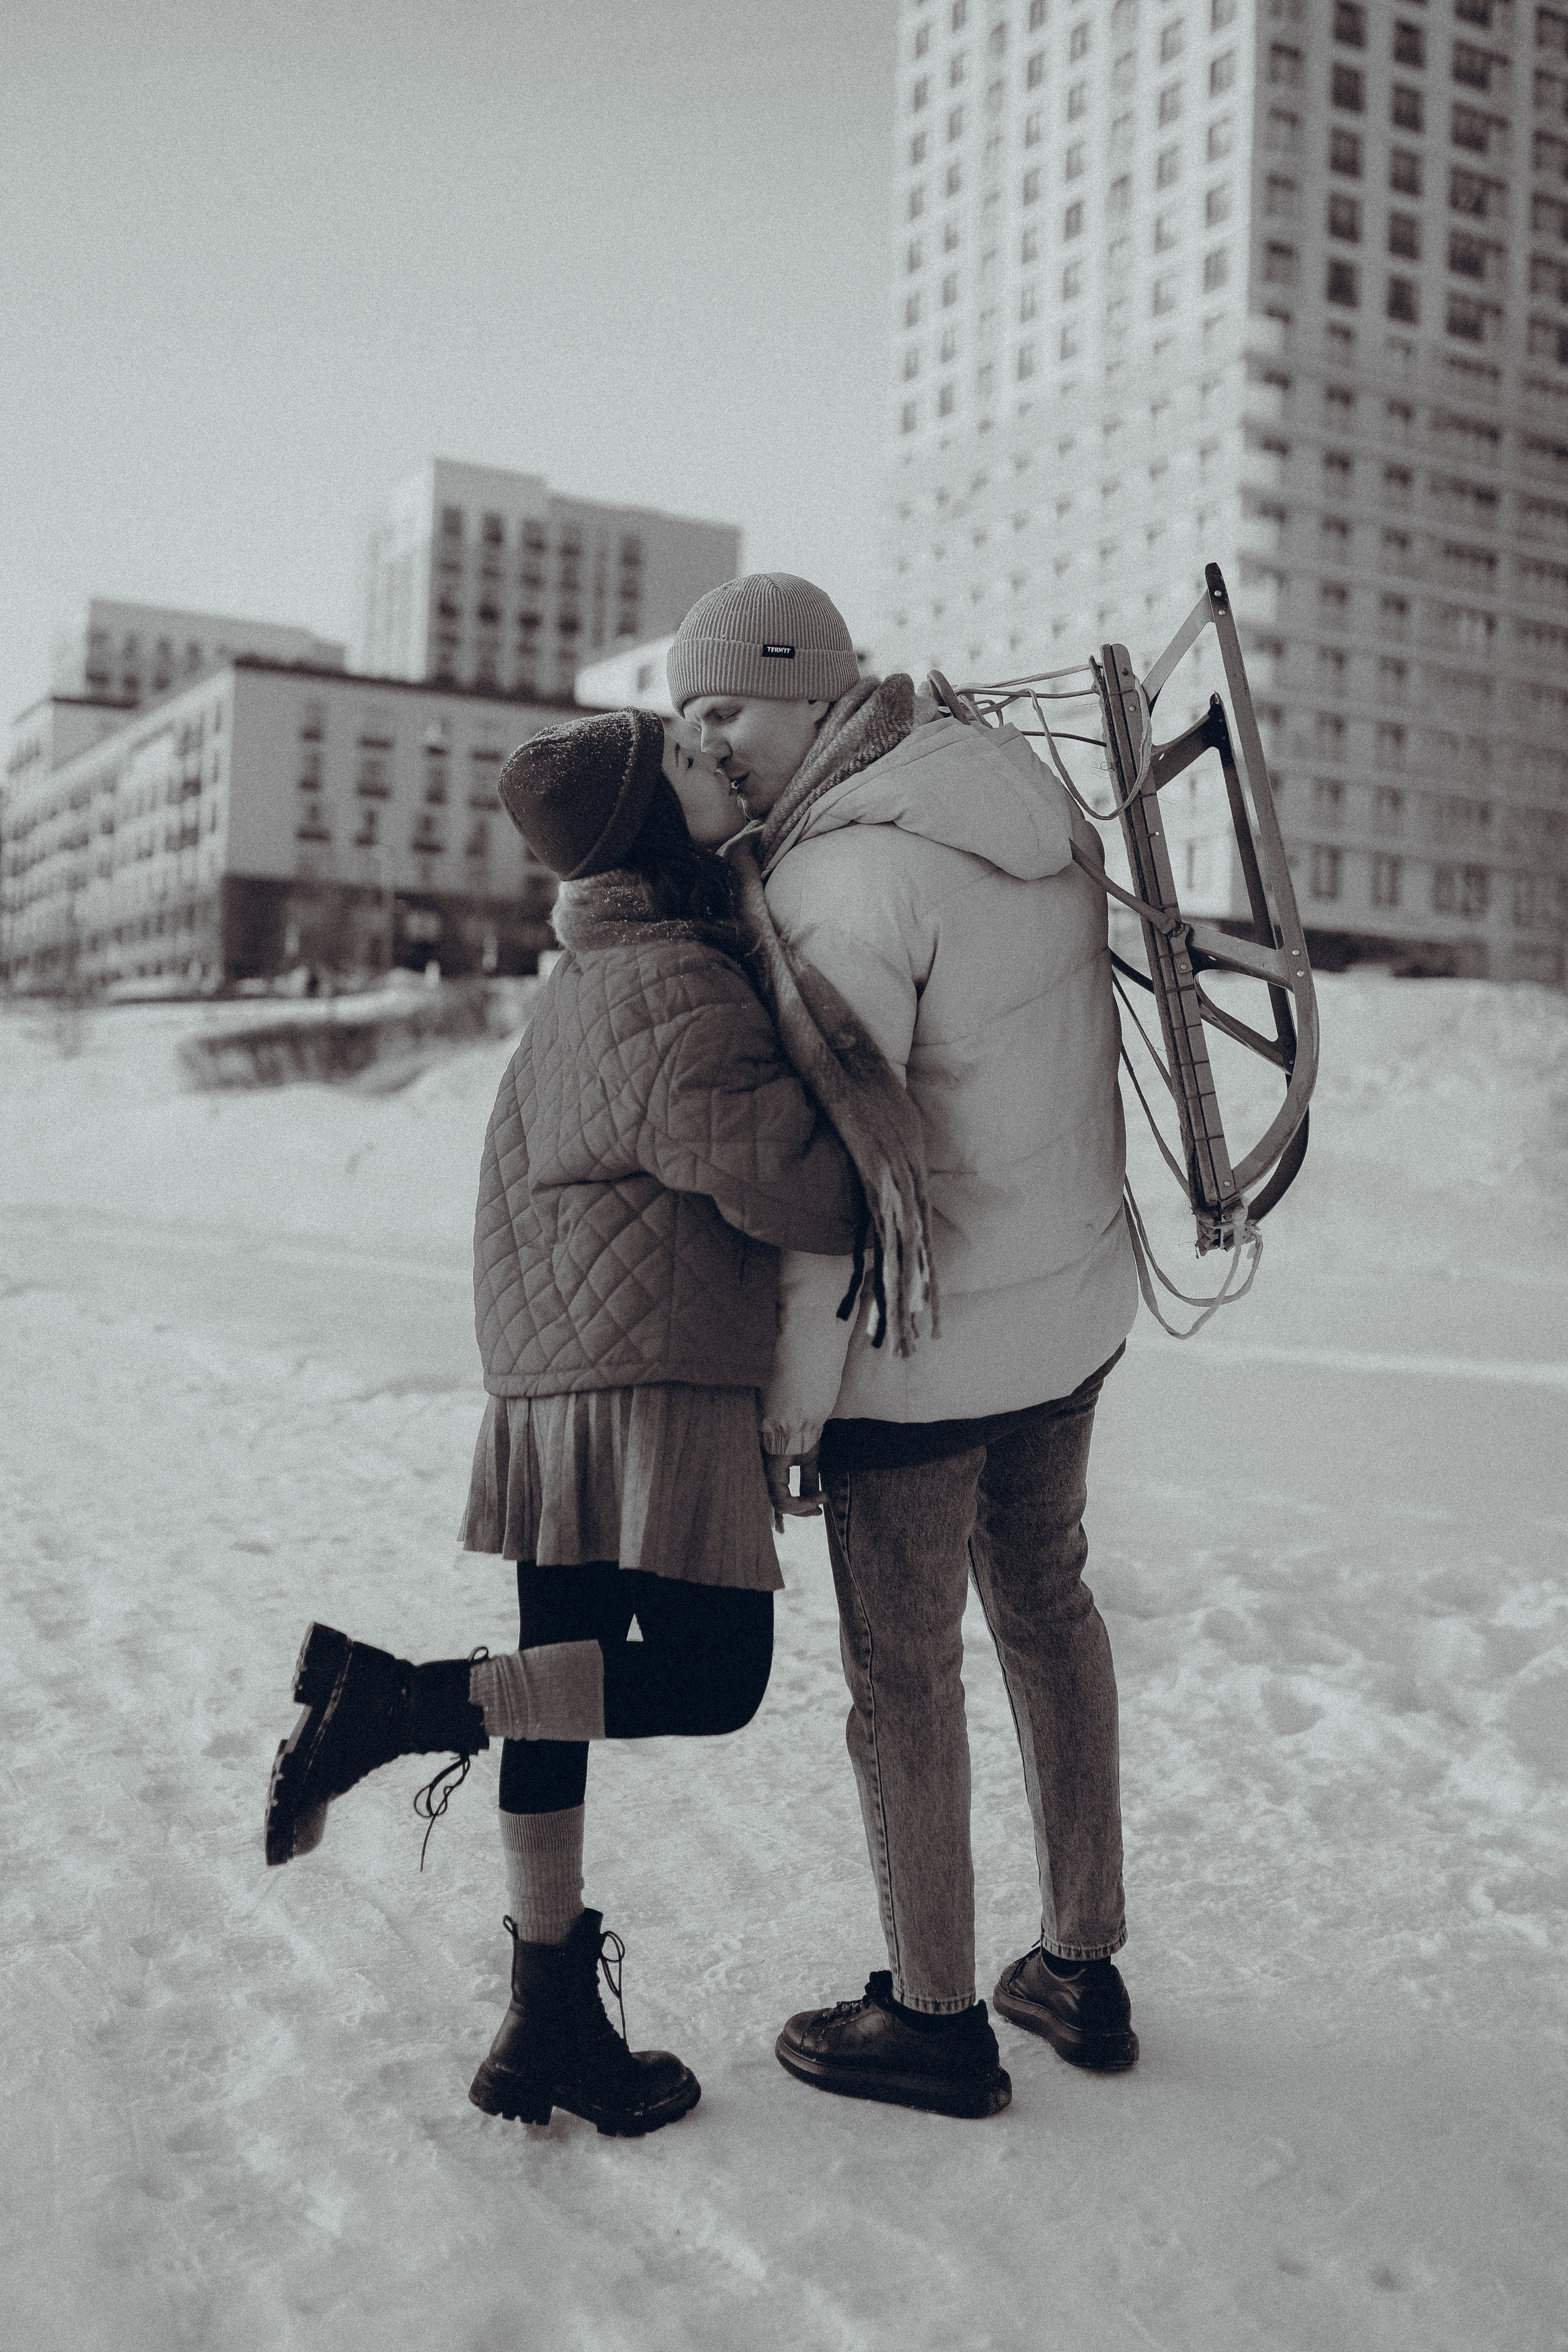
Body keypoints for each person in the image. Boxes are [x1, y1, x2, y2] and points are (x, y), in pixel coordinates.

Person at [263, 707, 865, 2139]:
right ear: (649, 824)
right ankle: (395, 1705)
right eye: (684, 760)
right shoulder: (673, 982)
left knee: (560, 1690)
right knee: (712, 1678)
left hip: (560, 1381)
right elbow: (796, 1185)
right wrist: (877, 1124)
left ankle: (542, 2023)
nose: (714, 760)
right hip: (643, 1379)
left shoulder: (594, 973)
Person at [669, 573, 1141, 2119]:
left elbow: (832, 1192)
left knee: (902, 1676)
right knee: (1049, 1610)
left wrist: (789, 1415)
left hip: (922, 1360)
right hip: (1066, 1311)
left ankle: (932, 2019)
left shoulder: (840, 879)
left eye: (723, 707)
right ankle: (1078, 1965)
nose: (705, 743)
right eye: (686, 716)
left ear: (802, 690)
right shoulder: (1019, 797)